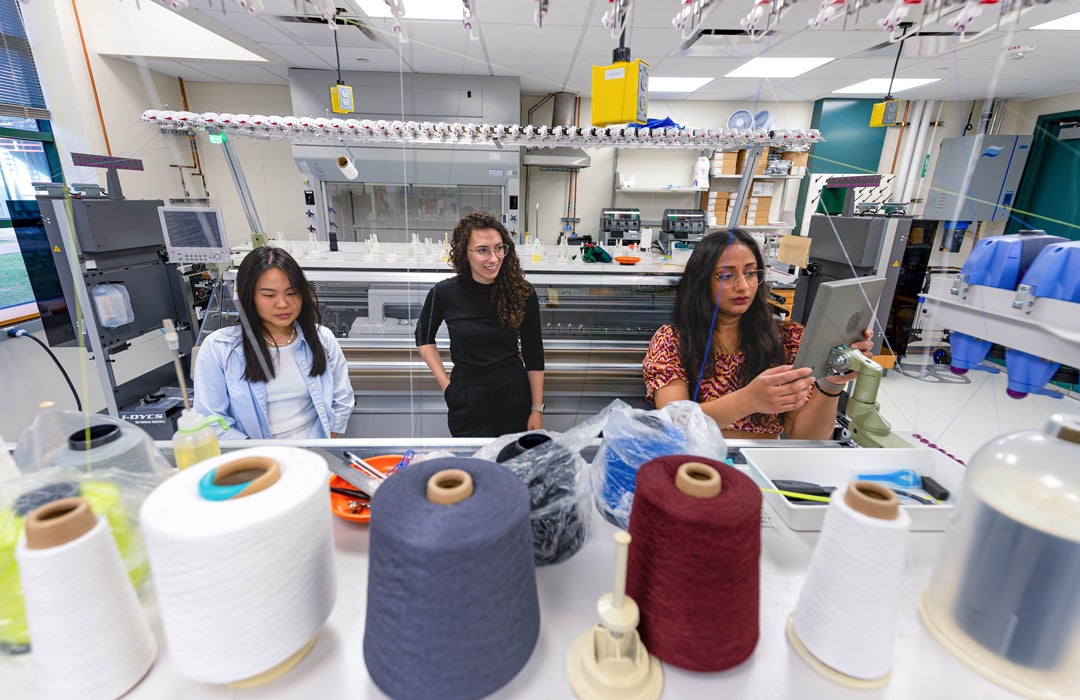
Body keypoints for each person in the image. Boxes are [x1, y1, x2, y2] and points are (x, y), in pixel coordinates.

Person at [642, 229, 874, 440]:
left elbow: (805, 437)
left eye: (751, 273)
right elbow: (675, 422)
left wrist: (831, 383)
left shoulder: (788, 339)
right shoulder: (673, 341)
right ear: (701, 282)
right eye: (726, 276)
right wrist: (749, 400)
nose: (743, 286)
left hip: (760, 462)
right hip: (693, 461)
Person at [194, 246, 355, 439]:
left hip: (315, 453)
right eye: (269, 295)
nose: (282, 304)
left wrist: (319, 447)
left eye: (292, 293)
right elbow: (211, 421)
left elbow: (342, 400)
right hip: (256, 461)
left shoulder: (322, 338)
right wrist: (265, 458)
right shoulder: (219, 348)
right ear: (248, 296)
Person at [416, 211, 545, 437]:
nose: (493, 258)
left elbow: (534, 351)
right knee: (474, 466)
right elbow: (424, 338)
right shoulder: (444, 292)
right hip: (467, 398)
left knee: (511, 465)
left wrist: (536, 409)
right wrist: (448, 387)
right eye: (483, 250)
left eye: (499, 248)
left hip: (514, 395)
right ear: (465, 253)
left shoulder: (522, 292)